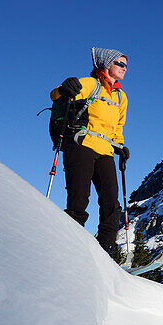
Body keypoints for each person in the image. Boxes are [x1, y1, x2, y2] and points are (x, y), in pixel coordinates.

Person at [51, 47, 129, 256]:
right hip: (81, 145)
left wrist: (120, 147)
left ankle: (106, 250)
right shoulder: (90, 84)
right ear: (106, 65)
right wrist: (65, 87)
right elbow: (55, 94)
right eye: (119, 64)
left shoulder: (121, 98)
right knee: (79, 197)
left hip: (105, 151)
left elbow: (117, 127)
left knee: (111, 202)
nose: (124, 68)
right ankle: (71, 245)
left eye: (125, 65)